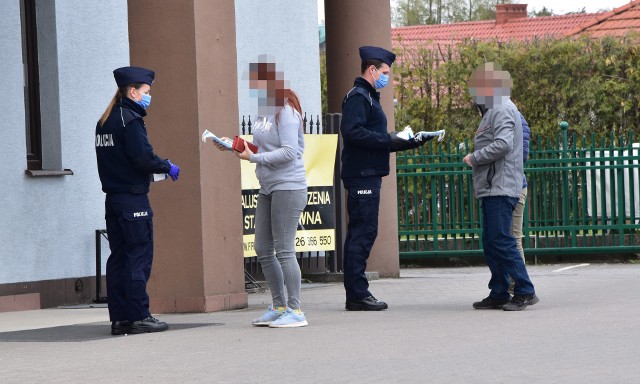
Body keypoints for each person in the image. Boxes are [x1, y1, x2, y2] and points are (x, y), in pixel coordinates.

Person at [215, 59, 308, 327]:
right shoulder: (263, 112)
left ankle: (296, 311)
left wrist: (251, 159)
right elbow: (261, 148)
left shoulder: (286, 112)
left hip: (288, 186)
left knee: (284, 250)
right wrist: (237, 146)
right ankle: (279, 305)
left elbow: (290, 152)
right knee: (262, 248)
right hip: (268, 186)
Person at [340, 46, 433, 311]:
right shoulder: (359, 97)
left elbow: (375, 139)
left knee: (364, 232)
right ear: (372, 70)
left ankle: (357, 293)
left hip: (368, 173)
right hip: (362, 175)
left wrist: (409, 141)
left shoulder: (369, 97)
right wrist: (388, 138)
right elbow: (352, 133)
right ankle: (357, 295)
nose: (386, 77)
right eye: (385, 72)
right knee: (363, 233)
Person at [95, 66, 180, 335]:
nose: (148, 97)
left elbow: (119, 160)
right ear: (133, 91)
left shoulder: (105, 121)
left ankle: (120, 318)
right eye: (146, 92)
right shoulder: (129, 120)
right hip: (133, 201)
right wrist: (166, 166)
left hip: (114, 199)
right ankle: (139, 315)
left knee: (118, 258)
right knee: (137, 258)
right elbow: (142, 157)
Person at [462, 62, 539, 311]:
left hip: (501, 185)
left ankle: (525, 290)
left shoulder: (502, 108)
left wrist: (475, 157)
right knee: (492, 240)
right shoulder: (494, 108)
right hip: (492, 185)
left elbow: (504, 144)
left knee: (502, 240)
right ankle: (498, 292)